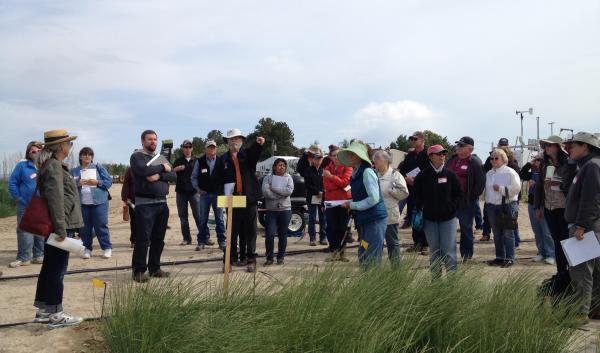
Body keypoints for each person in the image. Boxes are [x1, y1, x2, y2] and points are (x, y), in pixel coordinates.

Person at [33, 129, 84, 328]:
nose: (70, 147)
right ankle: (56, 313)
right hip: (59, 226)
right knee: (57, 270)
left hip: (57, 224)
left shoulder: (53, 165)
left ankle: (44, 310)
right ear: (60, 146)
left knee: (50, 267)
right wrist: (61, 229)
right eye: (69, 144)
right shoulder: (54, 166)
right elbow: (55, 200)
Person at [130, 130, 176, 283]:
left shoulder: (159, 158)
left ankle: (155, 268)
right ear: (143, 141)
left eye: (155, 139)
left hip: (162, 204)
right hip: (145, 205)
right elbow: (144, 170)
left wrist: (159, 174)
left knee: (158, 239)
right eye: (150, 139)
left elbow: (173, 175)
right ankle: (139, 271)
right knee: (143, 240)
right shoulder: (137, 156)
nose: (153, 142)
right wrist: (163, 168)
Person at [563, 132, 600, 321]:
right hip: (589, 225)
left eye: (573, 145)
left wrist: (581, 226)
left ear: (585, 146)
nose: (569, 149)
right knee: (595, 271)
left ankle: (580, 313)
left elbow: (590, 200)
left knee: (581, 271)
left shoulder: (592, 166)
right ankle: (595, 308)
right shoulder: (587, 166)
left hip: (585, 227)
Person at [219, 129, 264, 272]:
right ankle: (229, 261)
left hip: (248, 199)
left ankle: (251, 260)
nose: (234, 141)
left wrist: (258, 144)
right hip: (232, 200)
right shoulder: (223, 159)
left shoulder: (247, 154)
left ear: (242, 141)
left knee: (250, 231)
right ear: (227, 142)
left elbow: (254, 155)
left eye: (237, 138)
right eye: (231, 139)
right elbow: (218, 180)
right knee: (231, 231)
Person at [413, 145, 462, 278]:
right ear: (430, 156)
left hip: (448, 219)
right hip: (430, 220)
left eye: (443, 154)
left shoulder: (450, 174)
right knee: (434, 251)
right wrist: (422, 207)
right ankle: (436, 281)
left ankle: (452, 281)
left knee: (449, 250)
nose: (442, 156)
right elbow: (416, 194)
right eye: (438, 154)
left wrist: (452, 207)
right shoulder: (423, 175)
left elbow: (459, 194)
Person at [338, 141, 387, 269]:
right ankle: (367, 282)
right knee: (364, 251)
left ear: (359, 156)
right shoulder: (356, 173)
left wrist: (352, 205)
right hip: (365, 219)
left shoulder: (367, 172)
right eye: (348, 154)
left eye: (352, 154)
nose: (349, 156)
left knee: (372, 255)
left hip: (374, 219)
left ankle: (373, 285)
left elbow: (374, 199)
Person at [534, 135, 577, 276]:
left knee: (567, 241)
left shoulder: (569, 163)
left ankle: (571, 272)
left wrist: (560, 185)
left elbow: (573, 186)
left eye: (549, 145)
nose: (546, 148)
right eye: (545, 145)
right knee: (556, 241)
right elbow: (540, 186)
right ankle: (561, 272)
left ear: (558, 147)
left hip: (565, 207)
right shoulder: (544, 164)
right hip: (549, 207)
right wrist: (537, 207)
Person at [446, 136, 485, 262]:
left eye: (461, 146)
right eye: (458, 145)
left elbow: (480, 183)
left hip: (465, 202)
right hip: (450, 200)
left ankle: (466, 256)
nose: (458, 147)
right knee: (447, 228)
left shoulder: (474, 162)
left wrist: (470, 197)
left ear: (470, 149)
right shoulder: (452, 160)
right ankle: (448, 255)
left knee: (466, 229)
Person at [70, 147, 113, 259]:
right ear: (80, 157)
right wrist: (77, 183)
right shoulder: (74, 171)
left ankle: (107, 248)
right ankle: (87, 249)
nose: (87, 156)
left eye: (90, 154)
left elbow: (108, 183)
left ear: (92, 157)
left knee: (101, 225)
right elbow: (68, 186)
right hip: (82, 204)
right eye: (84, 154)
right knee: (84, 228)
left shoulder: (98, 168)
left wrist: (97, 182)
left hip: (99, 202)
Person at [8, 141, 45, 268]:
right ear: (29, 153)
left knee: (40, 230)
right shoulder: (22, 166)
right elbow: (12, 183)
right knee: (24, 231)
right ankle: (24, 257)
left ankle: (39, 255)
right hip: (25, 204)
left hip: (41, 205)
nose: (36, 153)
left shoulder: (45, 165)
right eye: (33, 151)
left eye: (38, 151)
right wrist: (17, 197)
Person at [485, 149, 522, 268]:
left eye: (496, 158)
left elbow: (516, 188)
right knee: (496, 233)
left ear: (503, 159)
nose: (494, 160)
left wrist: (501, 189)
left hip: (507, 205)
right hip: (491, 206)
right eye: (492, 158)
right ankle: (500, 257)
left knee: (508, 233)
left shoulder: (510, 172)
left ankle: (510, 258)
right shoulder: (489, 173)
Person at [372, 149, 408, 264]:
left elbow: (404, 193)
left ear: (386, 160)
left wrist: (391, 191)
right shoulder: (373, 174)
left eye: (377, 159)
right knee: (375, 242)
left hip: (390, 214)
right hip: (375, 214)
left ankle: (396, 268)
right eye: (374, 159)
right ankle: (375, 267)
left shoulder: (395, 175)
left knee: (392, 242)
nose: (375, 162)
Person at [519, 153, 555, 264]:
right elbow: (522, 174)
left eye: (540, 159)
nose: (537, 161)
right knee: (537, 230)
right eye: (536, 159)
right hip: (532, 203)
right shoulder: (533, 171)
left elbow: (550, 186)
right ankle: (541, 252)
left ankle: (551, 254)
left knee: (546, 231)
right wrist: (530, 163)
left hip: (544, 204)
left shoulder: (549, 171)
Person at [191, 139, 226, 251]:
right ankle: (201, 242)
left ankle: (222, 241)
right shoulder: (200, 161)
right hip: (204, 195)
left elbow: (226, 178)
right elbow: (194, 177)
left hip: (218, 195)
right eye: (209, 147)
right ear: (205, 149)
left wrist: (224, 192)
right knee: (202, 219)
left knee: (219, 219)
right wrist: (197, 189)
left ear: (216, 149)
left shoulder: (221, 161)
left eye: (213, 147)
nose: (212, 149)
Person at [398, 131, 429, 254]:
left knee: (424, 217)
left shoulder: (428, 154)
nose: (412, 141)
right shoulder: (410, 156)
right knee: (413, 216)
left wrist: (418, 180)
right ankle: (416, 243)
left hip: (425, 191)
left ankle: (426, 244)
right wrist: (406, 178)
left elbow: (429, 171)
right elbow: (402, 170)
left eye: (415, 139)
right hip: (411, 191)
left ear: (422, 140)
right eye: (411, 139)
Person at [262, 158, 294, 265]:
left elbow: (289, 191)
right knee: (270, 234)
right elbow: (266, 192)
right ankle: (269, 258)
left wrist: (274, 189)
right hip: (271, 210)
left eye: (284, 165)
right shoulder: (268, 178)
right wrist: (279, 195)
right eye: (279, 165)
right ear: (275, 167)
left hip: (285, 210)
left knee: (283, 234)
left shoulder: (289, 177)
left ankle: (281, 257)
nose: (282, 167)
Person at [173, 139, 202, 246]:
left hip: (194, 192)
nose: (187, 149)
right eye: (185, 147)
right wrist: (175, 169)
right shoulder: (178, 161)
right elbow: (170, 175)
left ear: (192, 148)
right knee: (183, 217)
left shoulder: (197, 161)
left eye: (189, 147)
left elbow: (202, 176)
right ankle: (186, 239)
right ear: (182, 148)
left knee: (198, 216)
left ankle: (204, 237)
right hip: (181, 192)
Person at [298, 145, 328, 246]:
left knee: (323, 218)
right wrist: (317, 191)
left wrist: (323, 191)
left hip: (323, 197)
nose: (319, 160)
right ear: (313, 160)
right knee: (312, 218)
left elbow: (326, 183)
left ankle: (323, 237)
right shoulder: (308, 170)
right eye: (317, 158)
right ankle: (312, 238)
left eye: (320, 158)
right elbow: (308, 184)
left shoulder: (323, 170)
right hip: (312, 197)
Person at [120, 167, 136, 248]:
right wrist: (125, 197)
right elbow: (126, 184)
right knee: (134, 221)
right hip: (133, 200)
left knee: (147, 221)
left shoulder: (149, 168)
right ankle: (134, 240)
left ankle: (147, 239)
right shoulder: (130, 170)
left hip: (147, 199)